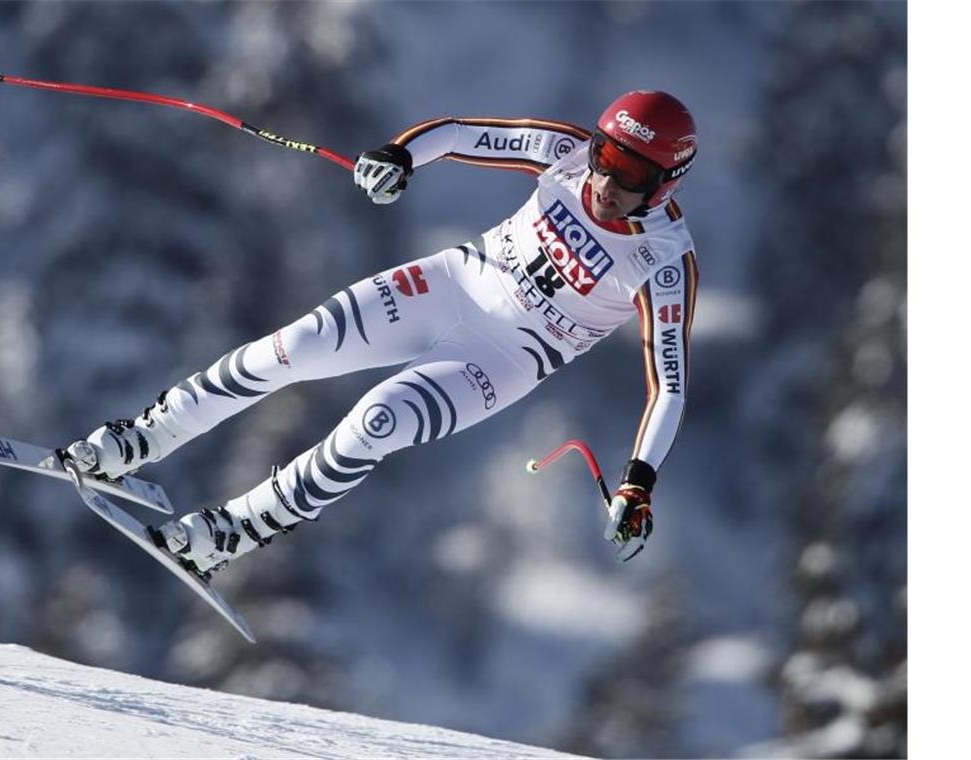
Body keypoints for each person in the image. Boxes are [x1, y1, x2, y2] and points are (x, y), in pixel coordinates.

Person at [62, 90, 699, 572]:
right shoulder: (563, 154)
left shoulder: (665, 258)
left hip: (504, 357)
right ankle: (141, 439)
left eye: (632, 174)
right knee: (291, 348)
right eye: (605, 155)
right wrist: (398, 157)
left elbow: (668, 386)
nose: (608, 182)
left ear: (665, 182)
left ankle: (234, 531)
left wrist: (638, 481)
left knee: (377, 425)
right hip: (454, 282)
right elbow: (456, 133)